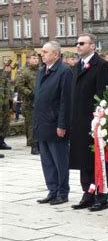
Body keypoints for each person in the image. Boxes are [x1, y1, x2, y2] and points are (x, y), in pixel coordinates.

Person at [70, 33, 108, 212]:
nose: (78, 46)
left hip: (94, 121)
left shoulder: (101, 65)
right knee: (83, 159)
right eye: (77, 43)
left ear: (93, 46)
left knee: (96, 159)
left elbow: (104, 94)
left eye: (82, 43)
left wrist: (100, 119)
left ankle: (101, 196)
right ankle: (87, 193)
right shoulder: (77, 66)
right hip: (79, 120)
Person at [34, 41, 73, 206]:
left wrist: (62, 125)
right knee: (47, 161)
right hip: (42, 122)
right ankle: (52, 190)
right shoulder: (42, 71)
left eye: (45, 52)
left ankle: (62, 192)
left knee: (59, 160)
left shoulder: (64, 72)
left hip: (55, 123)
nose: (42, 54)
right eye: (42, 52)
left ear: (55, 54)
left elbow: (66, 100)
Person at [14, 50, 40, 154]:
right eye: (34, 58)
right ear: (28, 59)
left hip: (40, 101)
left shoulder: (41, 70)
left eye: (37, 58)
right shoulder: (23, 72)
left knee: (38, 123)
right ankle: (33, 145)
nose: (36, 60)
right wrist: (30, 93)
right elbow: (18, 86)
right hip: (29, 102)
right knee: (31, 124)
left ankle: (38, 143)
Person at [0, 62, 13, 151]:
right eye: (7, 67)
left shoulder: (8, 78)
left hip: (6, 103)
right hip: (1, 103)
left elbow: (9, 90)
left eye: (10, 67)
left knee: (5, 123)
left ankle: (2, 141)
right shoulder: (1, 76)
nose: (9, 69)